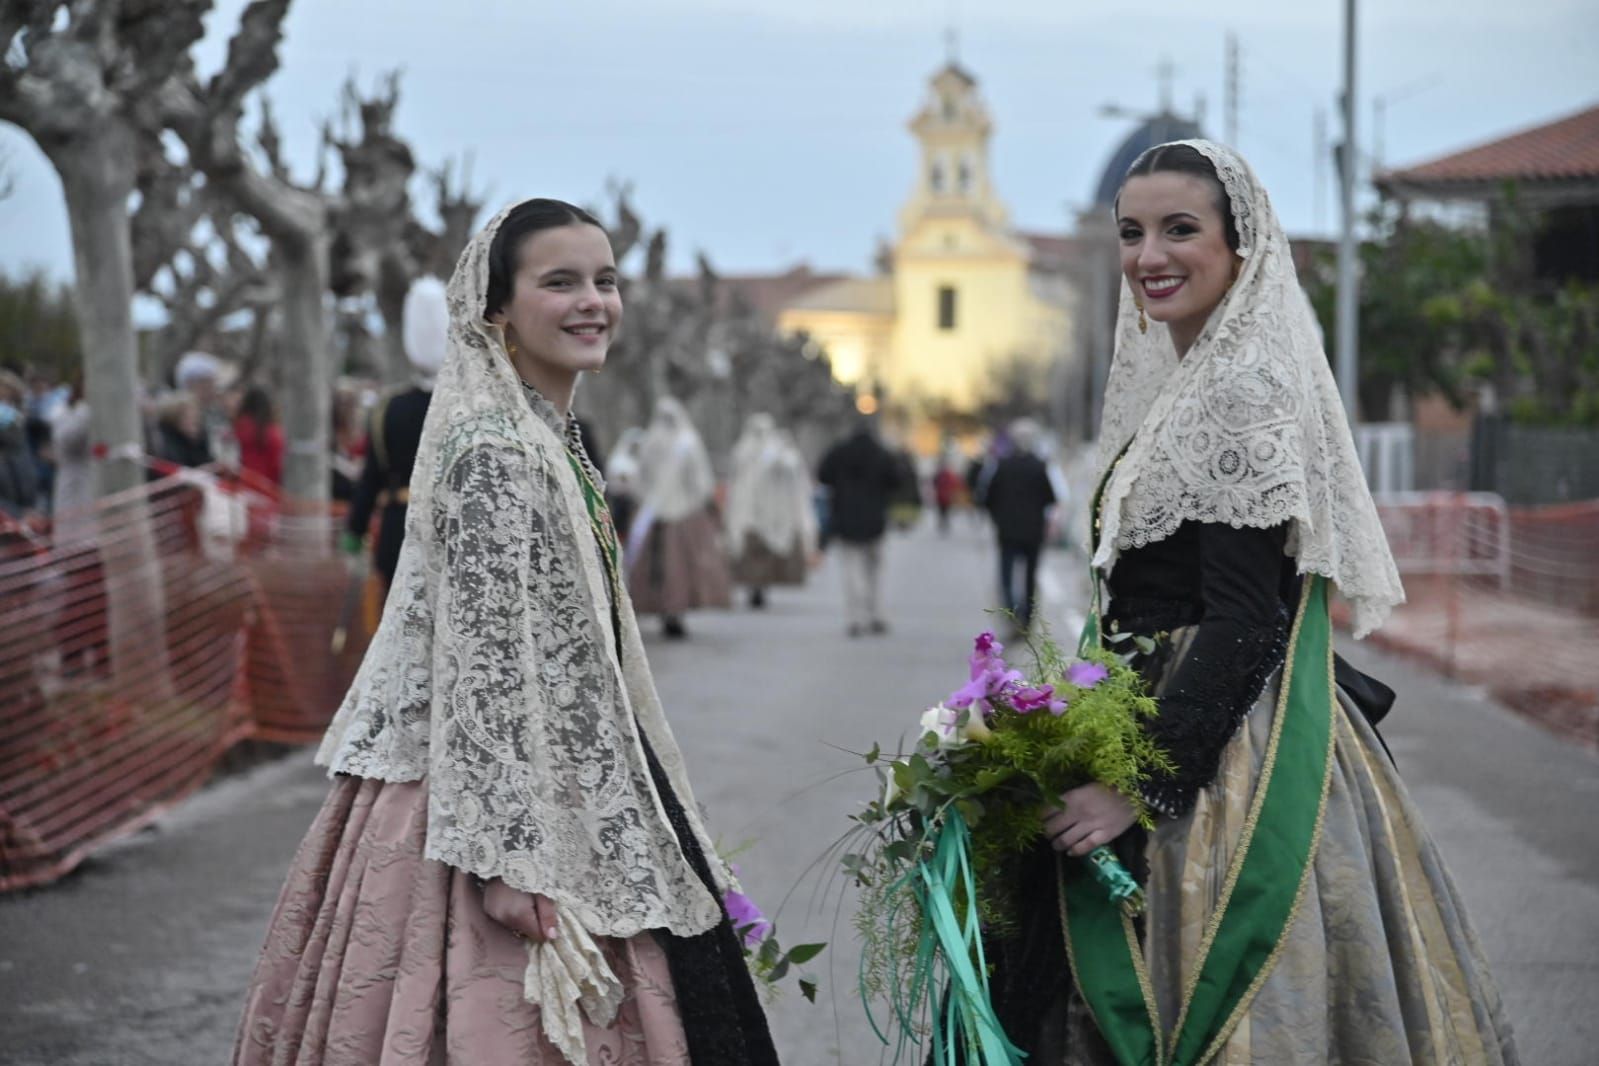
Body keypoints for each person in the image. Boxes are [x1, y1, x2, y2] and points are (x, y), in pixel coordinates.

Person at [979, 141, 1517, 1064]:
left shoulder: (1237, 391)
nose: (1150, 255)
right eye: (1132, 233)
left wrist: (1131, 787)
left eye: (1180, 229)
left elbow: (1245, 617)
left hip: (1223, 745)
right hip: (1163, 703)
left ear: (1242, 247)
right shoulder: (1185, 388)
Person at [233, 199, 779, 1066]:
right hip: (484, 814)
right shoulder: (498, 453)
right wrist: (504, 861)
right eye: (558, 282)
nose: (591, 301)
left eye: (604, 280)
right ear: (495, 312)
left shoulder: (547, 440)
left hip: (549, 776)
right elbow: (482, 663)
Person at [342, 276, 445, 594]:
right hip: (453, 530)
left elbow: (371, 479)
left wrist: (354, 529)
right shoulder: (468, 405)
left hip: (398, 532)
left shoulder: (389, 408)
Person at [627, 395, 731, 640]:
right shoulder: (689, 442)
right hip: (682, 514)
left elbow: (638, 479)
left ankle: (662, 608)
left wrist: (647, 500)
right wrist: (694, 504)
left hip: (653, 515)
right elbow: (701, 481)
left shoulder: (649, 441)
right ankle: (676, 611)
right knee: (680, 567)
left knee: (657, 566)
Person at [817, 416, 899, 637]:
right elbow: (896, 480)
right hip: (875, 521)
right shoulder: (881, 453)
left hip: (846, 520)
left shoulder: (839, 452)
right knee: (876, 572)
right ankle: (876, 614)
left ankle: (855, 617)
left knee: (852, 571)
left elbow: (822, 475)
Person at [725, 412, 817, 609]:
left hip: (769, 511)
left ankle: (760, 587)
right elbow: (735, 480)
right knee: (751, 552)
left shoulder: (777, 453)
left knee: (763, 552)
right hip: (747, 510)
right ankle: (754, 587)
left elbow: (791, 469)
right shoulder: (742, 451)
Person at [981, 417, 1056, 634]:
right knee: (1030, 575)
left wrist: (998, 517)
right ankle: (1027, 617)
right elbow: (1050, 497)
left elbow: (988, 497)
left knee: (1006, 573)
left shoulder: (1002, 466)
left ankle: (1010, 612)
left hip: (1007, 530)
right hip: (1033, 531)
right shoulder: (1040, 466)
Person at [233, 385, 284, 487]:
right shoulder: (271, 432)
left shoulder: (239, 427)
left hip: (246, 484)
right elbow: (277, 464)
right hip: (268, 487)